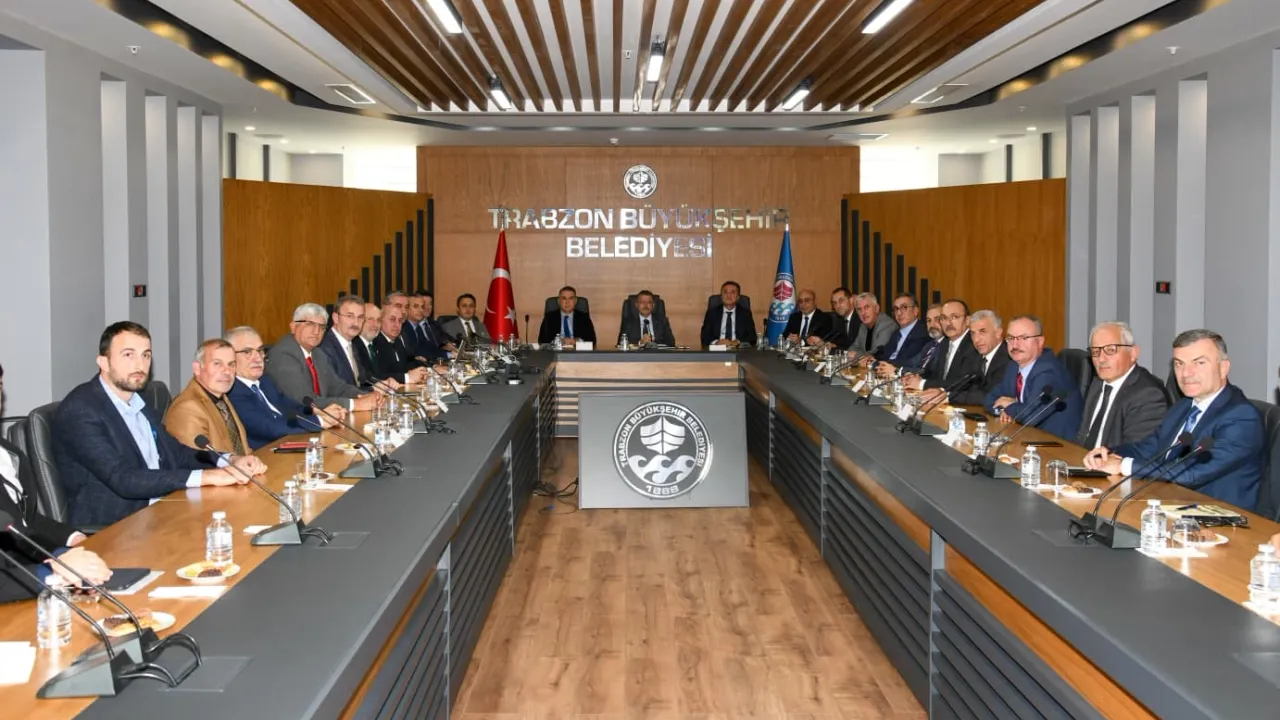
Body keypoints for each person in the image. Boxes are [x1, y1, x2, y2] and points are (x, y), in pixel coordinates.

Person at [53, 322, 259, 527]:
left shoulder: (139, 401)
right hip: (116, 526)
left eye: (146, 355)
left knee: (245, 517)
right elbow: (123, 478)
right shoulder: (81, 409)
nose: (139, 365)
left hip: (162, 510)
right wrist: (207, 477)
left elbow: (176, 453)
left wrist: (229, 460)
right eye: (128, 355)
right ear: (104, 363)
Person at [1083, 329, 1264, 510]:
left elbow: (1191, 472)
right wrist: (1109, 454)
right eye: (1179, 364)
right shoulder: (1183, 407)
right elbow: (1148, 448)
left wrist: (1124, 465)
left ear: (1223, 368)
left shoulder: (1241, 417)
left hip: (1217, 517)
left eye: (1199, 363)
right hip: (1169, 504)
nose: (1186, 373)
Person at [0, 362, 111, 602]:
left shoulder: (9, 453)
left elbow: (24, 523)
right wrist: (53, 572)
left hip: (27, 588)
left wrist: (71, 542)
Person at [225, 327, 340, 450]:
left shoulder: (265, 381)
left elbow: (290, 408)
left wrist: (317, 412)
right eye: (247, 352)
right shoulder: (232, 391)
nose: (258, 358)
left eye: (260, 350)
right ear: (230, 358)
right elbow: (271, 428)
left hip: (291, 443)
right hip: (265, 453)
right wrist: (320, 421)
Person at [983, 315, 1083, 441]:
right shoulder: (1014, 366)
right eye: (1010, 338)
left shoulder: (1049, 372)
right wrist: (1006, 411)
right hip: (1027, 437)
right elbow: (989, 399)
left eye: (1023, 338)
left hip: (1057, 444)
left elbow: (1030, 416)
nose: (1015, 344)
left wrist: (1010, 406)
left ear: (1040, 341)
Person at [266, 303, 379, 411]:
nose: (316, 331)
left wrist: (369, 396)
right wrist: (354, 404)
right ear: (293, 327)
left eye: (321, 327)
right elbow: (306, 401)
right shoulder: (283, 355)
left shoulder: (317, 354)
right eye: (309, 324)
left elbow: (338, 388)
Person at [1075, 321, 1169, 449]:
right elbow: (1082, 437)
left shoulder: (1148, 395)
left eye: (1110, 350)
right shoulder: (1097, 383)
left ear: (1133, 353)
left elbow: (1136, 452)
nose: (1101, 359)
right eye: (1095, 351)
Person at [164, 339, 250, 454]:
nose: (227, 371)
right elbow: (199, 461)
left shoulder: (221, 399)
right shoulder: (187, 409)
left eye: (231, 364)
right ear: (197, 368)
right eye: (217, 363)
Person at [918, 309, 1009, 407]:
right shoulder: (979, 356)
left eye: (982, 332)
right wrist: (942, 391)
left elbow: (989, 395)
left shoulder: (1007, 358)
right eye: (973, 333)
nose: (976, 339)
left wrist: (947, 396)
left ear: (998, 333)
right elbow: (968, 385)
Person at [906, 299, 977, 390]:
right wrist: (913, 378)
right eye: (944, 318)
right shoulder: (945, 343)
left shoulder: (973, 344)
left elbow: (963, 382)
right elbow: (933, 374)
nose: (948, 323)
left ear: (967, 320)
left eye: (954, 317)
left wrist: (922, 384)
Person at [878, 302, 944, 377]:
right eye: (929, 320)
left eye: (937, 319)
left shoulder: (947, 346)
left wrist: (898, 371)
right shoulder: (930, 345)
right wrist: (881, 365)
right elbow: (910, 363)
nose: (932, 325)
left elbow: (927, 373)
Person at [316, 295, 370, 389]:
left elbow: (361, 382)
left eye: (360, 317)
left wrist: (382, 386)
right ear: (336, 318)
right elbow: (335, 390)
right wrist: (372, 390)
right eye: (350, 316)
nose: (356, 323)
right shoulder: (324, 348)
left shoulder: (352, 344)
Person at [374, 304, 429, 380]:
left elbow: (405, 366)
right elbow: (378, 375)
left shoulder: (398, 341)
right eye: (392, 320)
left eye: (400, 321)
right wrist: (407, 377)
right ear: (380, 321)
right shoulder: (375, 342)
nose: (397, 325)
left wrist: (427, 370)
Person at [874, 293, 930, 365]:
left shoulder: (922, 332)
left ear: (915, 311)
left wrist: (877, 364)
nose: (899, 313)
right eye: (896, 309)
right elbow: (884, 355)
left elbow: (905, 361)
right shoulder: (896, 333)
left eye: (904, 307)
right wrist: (871, 359)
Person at [700, 281, 757, 348]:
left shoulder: (745, 313)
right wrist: (716, 342)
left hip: (738, 350)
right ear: (721, 296)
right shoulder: (712, 313)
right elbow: (705, 336)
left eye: (732, 292)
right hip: (717, 350)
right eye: (725, 292)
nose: (728, 295)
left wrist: (736, 342)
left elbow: (752, 337)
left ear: (738, 297)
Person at [846, 292, 896, 363]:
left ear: (877, 308)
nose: (863, 313)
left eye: (866, 307)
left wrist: (856, 355)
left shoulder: (887, 324)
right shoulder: (863, 326)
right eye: (859, 309)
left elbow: (876, 353)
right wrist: (851, 353)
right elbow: (854, 347)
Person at [403, 290, 452, 361]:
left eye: (422, 307)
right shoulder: (403, 328)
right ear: (407, 309)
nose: (420, 310)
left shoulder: (417, 328)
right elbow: (417, 352)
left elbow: (429, 347)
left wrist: (449, 354)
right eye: (416, 306)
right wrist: (447, 355)